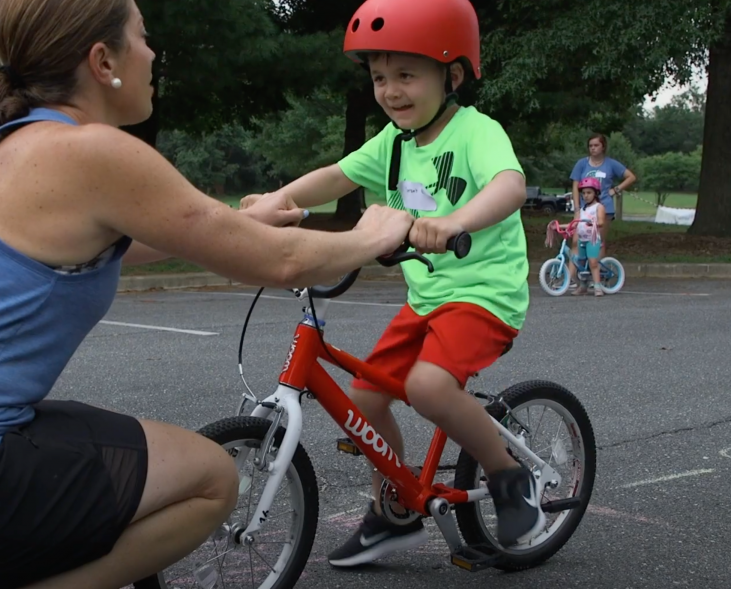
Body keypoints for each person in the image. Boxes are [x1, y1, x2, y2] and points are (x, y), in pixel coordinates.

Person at [0, 1, 416, 588]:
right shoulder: (92, 151)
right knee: (209, 479)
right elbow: (283, 263)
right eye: (144, 37)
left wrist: (241, 223)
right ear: (103, 62)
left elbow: (132, 233)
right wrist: (374, 232)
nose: (153, 52)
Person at [241, 0, 546, 568]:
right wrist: (278, 200)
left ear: (451, 76)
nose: (391, 90)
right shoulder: (393, 142)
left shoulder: (476, 131)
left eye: (407, 74)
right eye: (381, 77)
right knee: (365, 396)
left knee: (431, 389)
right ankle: (397, 507)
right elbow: (335, 175)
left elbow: (509, 186)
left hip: (483, 295)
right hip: (426, 298)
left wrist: (454, 221)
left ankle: (510, 477)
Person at [569, 133, 637, 255]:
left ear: (603, 147)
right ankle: (575, 270)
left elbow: (631, 177)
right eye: (590, 146)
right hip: (585, 209)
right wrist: (577, 209)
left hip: (604, 207)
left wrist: (616, 189)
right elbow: (575, 186)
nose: (593, 148)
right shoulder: (581, 164)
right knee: (576, 241)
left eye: (596, 145)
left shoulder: (611, 164)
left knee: (598, 242)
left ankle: (597, 270)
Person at [567, 178, 606, 297]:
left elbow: (601, 222)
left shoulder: (599, 207)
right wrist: (558, 225)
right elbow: (574, 223)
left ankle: (598, 285)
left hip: (592, 239)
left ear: (595, 193)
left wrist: (593, 223)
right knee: (581, 263)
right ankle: (583, 286)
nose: (585, 196)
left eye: (589, 193)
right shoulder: (582, 210)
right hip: (582, 239)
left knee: (593, 262)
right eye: (583, 193)